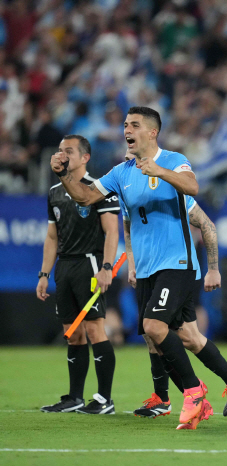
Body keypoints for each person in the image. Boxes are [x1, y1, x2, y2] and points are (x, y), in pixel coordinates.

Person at [50, 107, 223, 430]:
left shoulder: (172, 159)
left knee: (159, 328)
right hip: (146, 267)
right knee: (169, 335)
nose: (126, 129)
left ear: (152, 132)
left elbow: (193, 188)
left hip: (178, 261)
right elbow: (86, 197)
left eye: (134, 125)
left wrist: (159, 171)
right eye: (125, 124)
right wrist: (64, 175)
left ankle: (193, 391)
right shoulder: (121, 172)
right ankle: (201, 389)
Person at [119, 151, 227, 420]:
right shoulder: (129, 190)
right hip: (148, 270)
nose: (131, 160)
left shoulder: (172, 193)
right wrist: (132, 264)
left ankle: (183, 394)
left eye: (136, 155)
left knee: (154, 328)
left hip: (177, 268)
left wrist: (213, 269)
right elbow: (128, 227)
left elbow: (208, 226)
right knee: (185, 336)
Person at [37, 135, 119, 415]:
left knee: (95, 329)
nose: (62, 155)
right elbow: (51, 237)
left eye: (69, 151)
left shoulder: (99, 189)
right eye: (59, 150)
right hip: (65, 266)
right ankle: (75, 397)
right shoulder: (54, 192)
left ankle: (105, 399)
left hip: (90, 264)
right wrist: (44, 273)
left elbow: (111, 231)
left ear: (85, 157)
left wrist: (107, 267)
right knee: (72, 334)